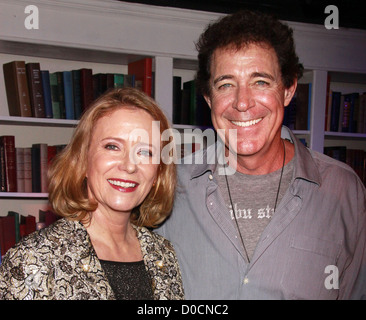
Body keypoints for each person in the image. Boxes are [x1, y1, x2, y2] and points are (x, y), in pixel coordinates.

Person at [157, 10, 366, 299]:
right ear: (208, 98)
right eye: (226, 84)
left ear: (288, 90)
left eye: (261, 82)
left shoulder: (344, 191)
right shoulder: (170, 187)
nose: (242, 103)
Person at [0, 88, 184, 300]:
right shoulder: (34, 259)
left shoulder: (163, 254)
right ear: (83, 161)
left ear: (158, 173)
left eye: (145, 152)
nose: (129, 166)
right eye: (112, 146)